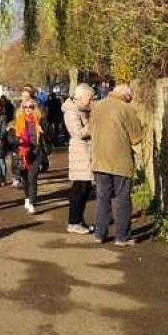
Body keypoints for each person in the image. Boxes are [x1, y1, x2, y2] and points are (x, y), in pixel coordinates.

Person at [89, 84, 144, 246]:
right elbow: (136, 137)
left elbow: (91, 130)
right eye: (130, 98)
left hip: (100, 159)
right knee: (122, 198)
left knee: (102, 198)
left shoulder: (97, 107)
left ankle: (100, 234)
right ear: (126, 96)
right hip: (120, 160)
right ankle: (121, 237)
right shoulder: (126, 109)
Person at [63, 83, 95, 235]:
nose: (91, 101)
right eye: (89, 98)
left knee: (85, 188)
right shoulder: (72, 111)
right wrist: (93, 125)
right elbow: (77, 133)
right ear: (81, 97)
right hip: (80, 153)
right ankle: (73, 222)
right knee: (79, 189)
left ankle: (79, 220)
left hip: (86, 153)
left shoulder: (83, 108)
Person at [11, 98, 44, 213]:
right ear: (22, 109)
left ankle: (32, 203)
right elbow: (11, 140)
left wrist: (43, 131)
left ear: (35, 108)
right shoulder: (18, 122)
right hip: (24, 153)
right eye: (26, 107)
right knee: (25, 179)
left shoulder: (39, 120)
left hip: (36, 152)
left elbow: (50, 137)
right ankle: (27, 197)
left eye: (31, 107)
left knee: (33, 178)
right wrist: (18, 140)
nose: (28, 109)